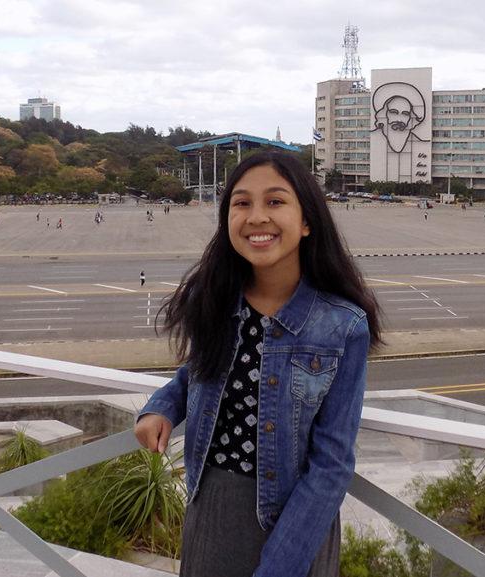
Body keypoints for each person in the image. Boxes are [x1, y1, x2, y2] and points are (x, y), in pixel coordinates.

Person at [134, 152, 381, 577]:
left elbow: (333, 462)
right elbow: (200, 369)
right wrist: (163, 405)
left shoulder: (342, 326)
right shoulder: (215, 299)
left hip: (295, 521)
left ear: (307, 222)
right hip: (212, 509)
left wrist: (280, 565)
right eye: (242, 203)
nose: (257, 217)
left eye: (276, 202)